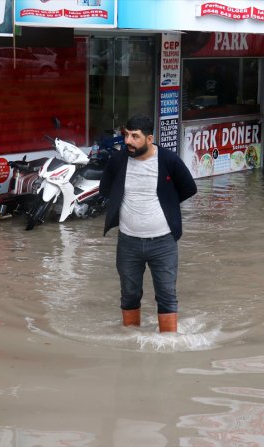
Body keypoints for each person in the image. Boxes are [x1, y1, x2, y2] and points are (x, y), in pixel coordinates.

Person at [99, 114, 198, 333]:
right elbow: (105, 189)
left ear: (150, 138)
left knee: (166, 295)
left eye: (135, 137)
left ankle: (168, 344)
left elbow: (189, 187)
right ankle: (131, 341)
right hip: (128, 243)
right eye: (126, 135)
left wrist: (167, 204)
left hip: (163, 243)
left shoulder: (169, 160)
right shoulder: (118, 160)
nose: (128, 142)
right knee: (130, 294)